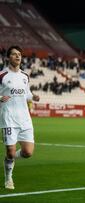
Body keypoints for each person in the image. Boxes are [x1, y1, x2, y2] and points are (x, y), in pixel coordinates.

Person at [0, 45, 40, 189]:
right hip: (8, 118)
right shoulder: (2, 75)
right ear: (8, 57)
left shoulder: (25, 76)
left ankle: (10, 159)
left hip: (25, 119)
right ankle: (8, 178)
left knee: (28, 152)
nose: (18, 56)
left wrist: (33, 96)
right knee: (10, 150)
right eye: (14, 54)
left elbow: (26, 93)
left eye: (19, 54)